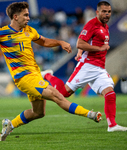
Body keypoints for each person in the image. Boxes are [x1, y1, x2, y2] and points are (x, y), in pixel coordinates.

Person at [0, 2, 102, 141]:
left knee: (38, 113)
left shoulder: (29, 30)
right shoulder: (1, 33)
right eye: (25, 15)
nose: (29, 18)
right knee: (57, 95)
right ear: (15, 17)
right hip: (24, 78)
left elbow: (43, 41)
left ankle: (10, 124)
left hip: (35, 75)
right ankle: (90, 114)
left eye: (28, 15)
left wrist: (60, 42)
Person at [42, 1, 127, 132]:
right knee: (64, 93)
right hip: (87, 66)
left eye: (109, 12)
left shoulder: (106, 27)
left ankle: (112, 125)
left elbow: (86, 42)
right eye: (104, 11)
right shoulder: (92, 24)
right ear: (97, 12)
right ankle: (48, 75)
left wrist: (82, 51)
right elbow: (80, 42)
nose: (107, 14)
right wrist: (96, 48)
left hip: (99, 68)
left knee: (110, 93)